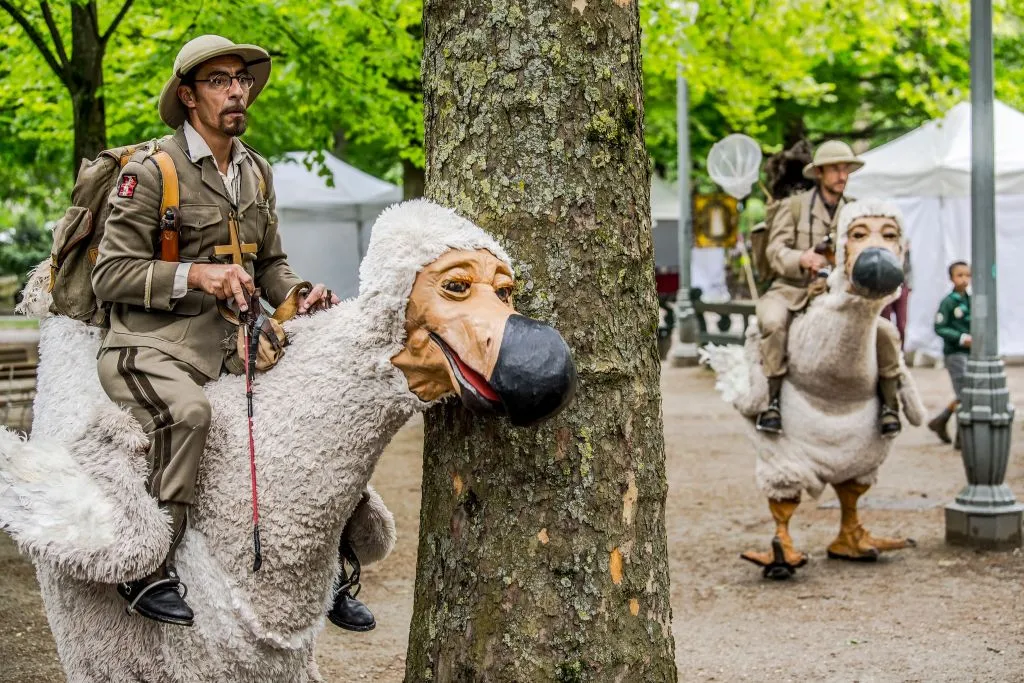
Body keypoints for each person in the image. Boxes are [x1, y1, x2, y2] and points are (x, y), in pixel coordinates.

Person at [92, 35, 370, 630]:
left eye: (241, 79)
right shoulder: (150, 171)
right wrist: (198, 274)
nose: (237, 90)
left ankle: (330, 568)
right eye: (219, 80)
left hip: (239, 345)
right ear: (189, 96)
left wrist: (297, 294)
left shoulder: (256, 171)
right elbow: (110, 274)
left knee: (329, 413)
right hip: (151, 347)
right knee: (189, 414)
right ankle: (146, 565)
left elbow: (268, 262)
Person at [755, 140, 903, 436]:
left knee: (885, 331)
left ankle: (890, 405)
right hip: (791, 289)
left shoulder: (856, 212)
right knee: (772, 323)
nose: (842, 175)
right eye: (836, 169)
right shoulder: (793, 206)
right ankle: (771, 402)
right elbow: (774, 251)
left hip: (836, 294)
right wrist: (802, 258)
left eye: (846, 168)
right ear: (820, 172)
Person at [928, 261, 972, 448]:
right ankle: (962, 439)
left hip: (971, 354)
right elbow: (940, 327)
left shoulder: (970, 300)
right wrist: (961, 338)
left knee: (968, 393)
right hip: (955, 354)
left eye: (967, 275)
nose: (964, 279)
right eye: (959, 275)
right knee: (965, 394)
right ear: (951, 278)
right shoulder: (949, 302)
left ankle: (941, 420)